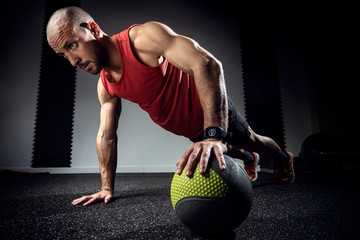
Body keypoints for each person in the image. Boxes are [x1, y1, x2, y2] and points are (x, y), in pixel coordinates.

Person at [46, 6, 295, 206]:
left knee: (252, 140)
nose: (72, 61)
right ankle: (249, 158)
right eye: (63, 55)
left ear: (93, 29)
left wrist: (213, 134)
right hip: (189, 128)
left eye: (72, 45)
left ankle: (284, 158)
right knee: (226, 150)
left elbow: (208, 64)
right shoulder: (106, 85)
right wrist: (106, 188)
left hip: (213, 113)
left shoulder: (143, 39)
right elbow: (106, 136)